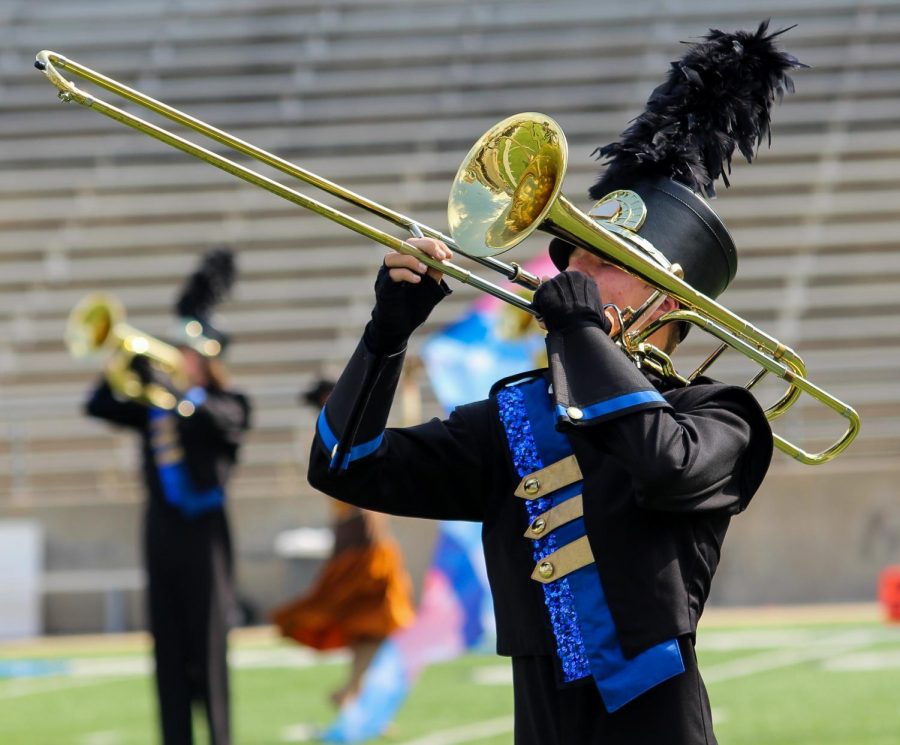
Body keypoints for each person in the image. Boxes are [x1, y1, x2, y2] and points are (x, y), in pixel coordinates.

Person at [308, 22, 798, 745]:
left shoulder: (722, 414)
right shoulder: (515, 415)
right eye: (573, 256)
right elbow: (344, 466)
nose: (570, 273)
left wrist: (581, 332)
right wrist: (386, 336)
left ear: (672, 300)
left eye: (604, 263)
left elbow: (664, 462)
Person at [85, 248, 250, 745]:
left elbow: (215, 422)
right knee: (168, 644)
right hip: (160, 530)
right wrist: (122, 356)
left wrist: (175, 391)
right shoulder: (155, 406)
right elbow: (96, 405)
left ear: (212, 360)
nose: (183, 360)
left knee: (208, 644)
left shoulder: (229, 404)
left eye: (193, 355)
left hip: (207, 537)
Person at [270, 379, 415, 708]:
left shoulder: (347, 428)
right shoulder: (330, 435)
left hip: (370, 542)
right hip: (359, 543)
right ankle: (353, 691)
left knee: (373, 625)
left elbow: (404, 439)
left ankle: (354, 692)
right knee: (371, 621)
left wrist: (407, 390)